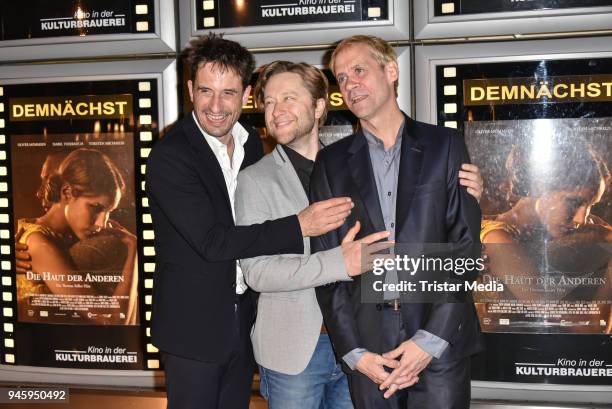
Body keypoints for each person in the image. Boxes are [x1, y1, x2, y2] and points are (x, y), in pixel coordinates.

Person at [144, 34, 354, 409]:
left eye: (228, 92)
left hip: (243, 325)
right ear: (190, 89)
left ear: (244, 95)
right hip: (193, 329)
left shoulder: (252, 146)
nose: (216, 105)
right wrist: (298, 225)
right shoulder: (171, 156)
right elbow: (213, 242)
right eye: (206, 91)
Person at [309, 35, 482, 409]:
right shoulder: (331, 163)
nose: (350, 84)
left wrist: (429, 339)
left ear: (391, 71)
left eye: (359, 70)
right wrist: (353, 351)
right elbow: (328, 264)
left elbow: (465, 248)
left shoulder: (445, 146)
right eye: (342, 77)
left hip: (440, 344)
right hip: (370, 352)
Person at [480, 140, 611, 333]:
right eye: (573, 202)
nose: (581, 219)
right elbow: (590, 327)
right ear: (541, 185)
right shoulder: (496, 239)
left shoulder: (573, 228)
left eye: (591, 205)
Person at [16, 148, 138, 325]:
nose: (101, 224)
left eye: (108, 212)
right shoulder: (39, 243)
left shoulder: (66, 237)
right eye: (96, 208)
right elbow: (112, 320)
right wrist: (133, 248)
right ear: (67, 193)